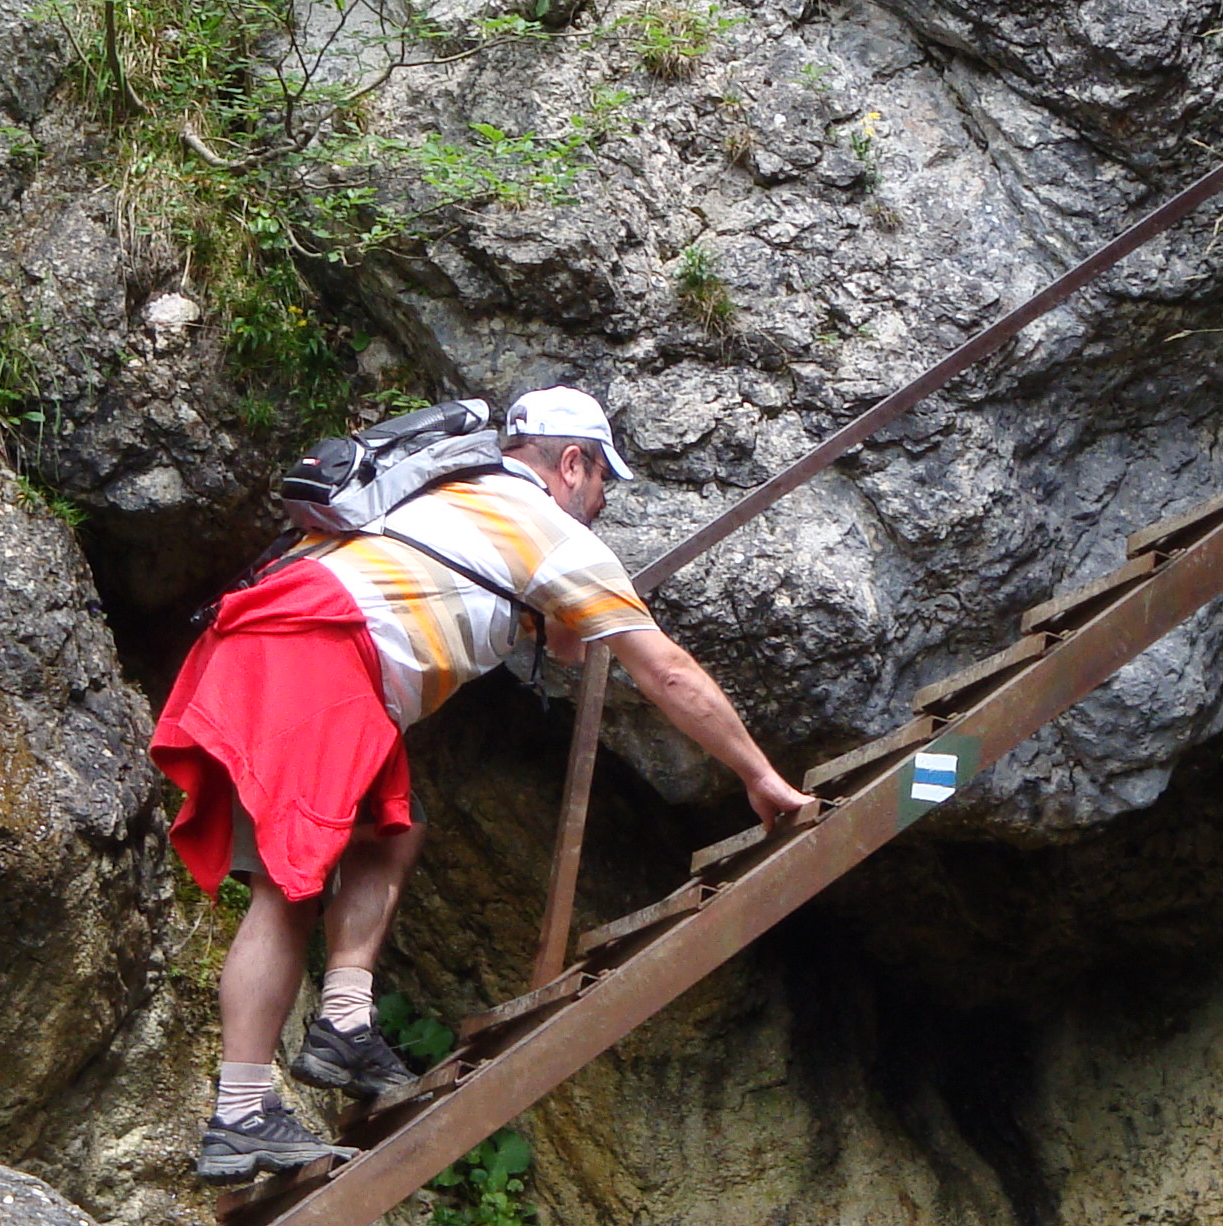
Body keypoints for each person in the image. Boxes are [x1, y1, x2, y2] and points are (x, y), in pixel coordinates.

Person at [151, 385, 817, 1185]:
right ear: (573, 464)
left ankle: (345, 1025)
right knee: (287, 888)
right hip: (318, 657)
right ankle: (240, 1113)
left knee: (395, 828)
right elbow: (666, 672)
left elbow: (565, 643)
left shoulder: (455, 491)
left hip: (284, 641)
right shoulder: (545, 530)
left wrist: (568, 606)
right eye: (603, 481)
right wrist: (759, 776)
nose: (603, 502)